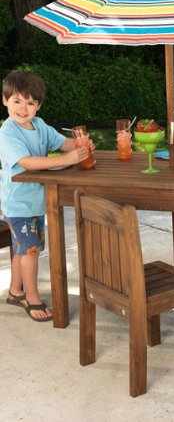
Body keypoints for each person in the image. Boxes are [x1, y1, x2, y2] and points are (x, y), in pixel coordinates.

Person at [0, 70, 92, 322]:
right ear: (5, 100)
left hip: (35, 202)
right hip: (18, 203)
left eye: (30, 102)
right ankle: (32, 297)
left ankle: (15, 291)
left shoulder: (39, 126)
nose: (23, 108)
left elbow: (63, 143)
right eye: (17, 101)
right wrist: (67, 160)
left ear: (38, 106)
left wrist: (81, 145)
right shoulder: (7, 132)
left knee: (24, 248)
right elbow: (26, 162)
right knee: (30, 251)